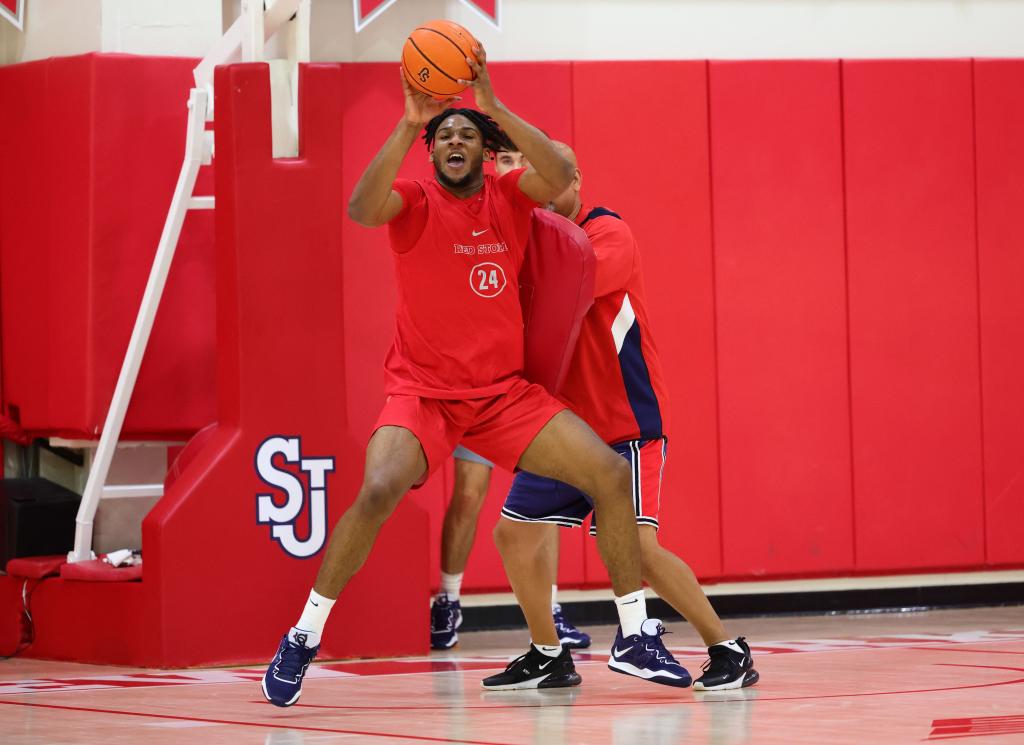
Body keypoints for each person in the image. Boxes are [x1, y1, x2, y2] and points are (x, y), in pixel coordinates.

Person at [262, 45, 679, 707]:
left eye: (468, 136)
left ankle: (633, 630)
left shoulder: (510, 196)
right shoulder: (414, 201)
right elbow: (360, 209)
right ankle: (304, 632)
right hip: (423, 393)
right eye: (444, 135)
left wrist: (491, 106)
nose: (454, 140)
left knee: (607, 471)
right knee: (376, 489)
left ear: (486, 154)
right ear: (431, 154)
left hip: (500, 395)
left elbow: (562, 168)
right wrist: (406, 123)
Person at [482, 142, 759, 692]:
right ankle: (548, 653)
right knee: (513, 535)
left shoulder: (607, 232)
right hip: (565, 429)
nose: (531, 184)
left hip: (624, 422)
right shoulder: (526, 240)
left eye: (541, 174)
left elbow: (567, 289)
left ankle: (728, 650)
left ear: (574, 178)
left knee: (640, 549)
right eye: (520, 173)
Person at [429, 147, 589, 653]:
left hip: (536, 384)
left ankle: (551, 607)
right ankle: (449, 598)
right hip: (487, 383)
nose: (511, 166)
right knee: (470, 494)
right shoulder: (475, 215)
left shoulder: (554, 224)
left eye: (521, 157)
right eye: (503, 157)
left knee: (548, 498)